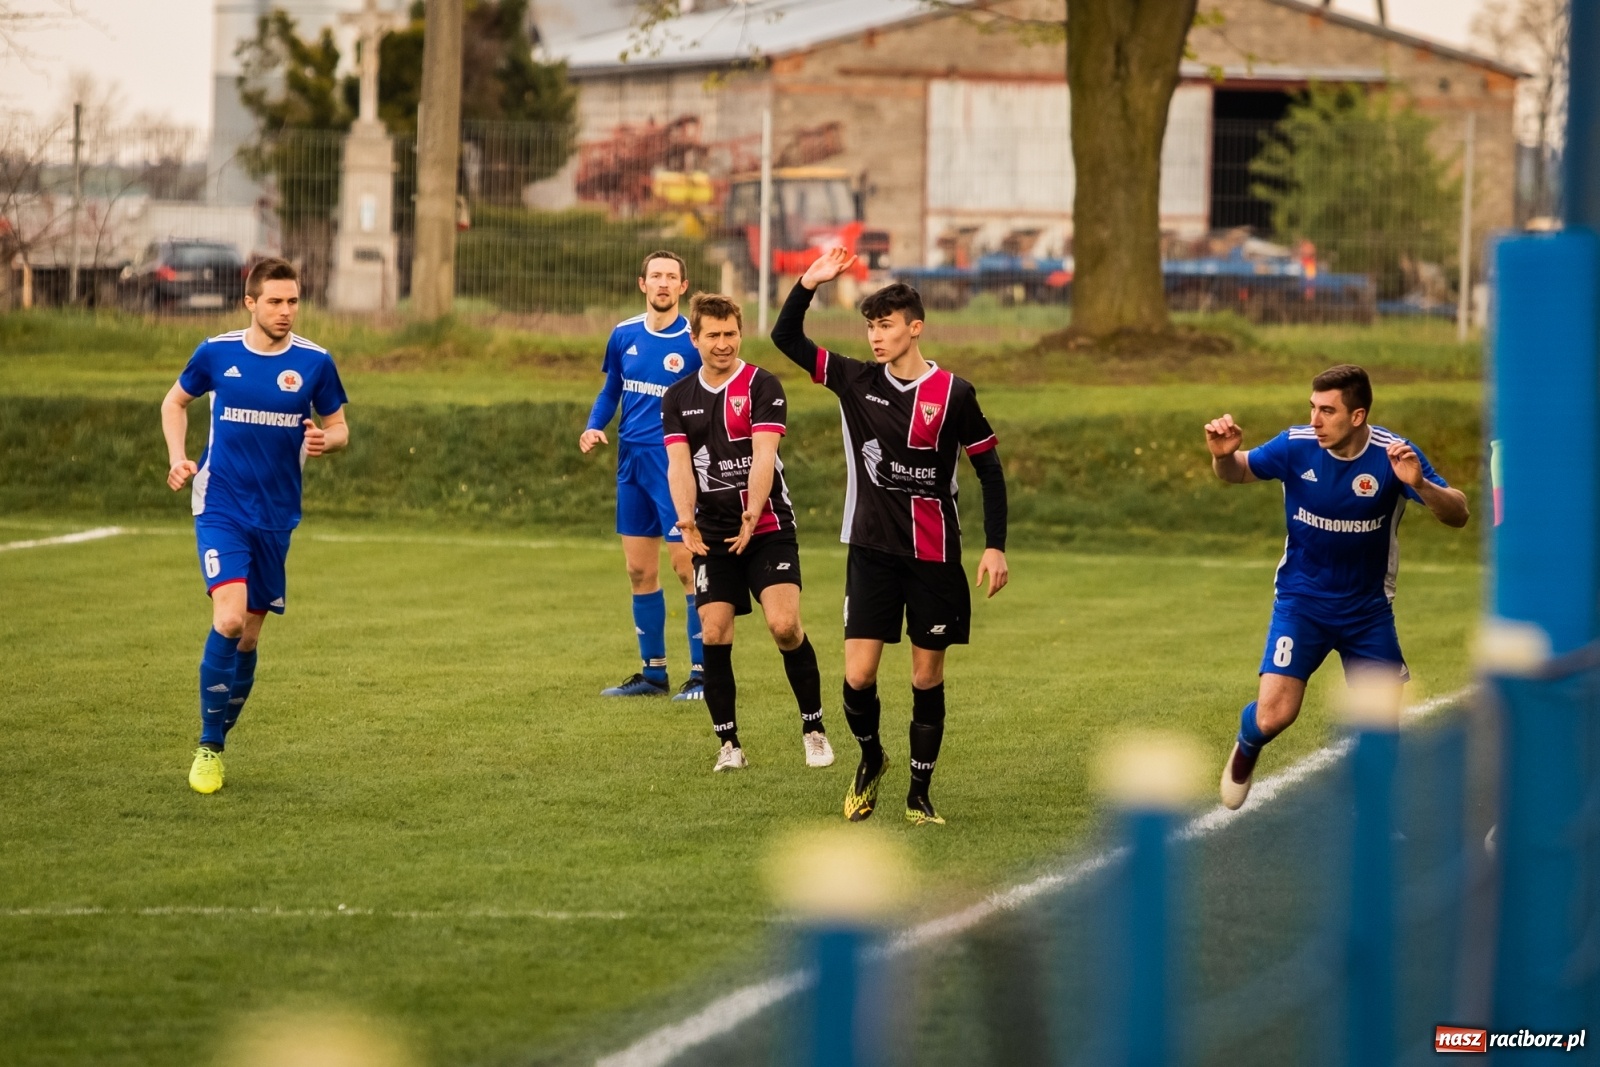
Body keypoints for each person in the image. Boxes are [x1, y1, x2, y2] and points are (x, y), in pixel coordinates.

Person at [770, 246, 1009, 826]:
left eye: (886, 326)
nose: (876, 337)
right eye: (871, 326)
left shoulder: (955, 393)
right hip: (872, 552)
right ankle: (872, 758)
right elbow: (786, 337)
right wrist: (809, 282)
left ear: (915, 328)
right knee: (858, 676)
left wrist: (995, 545)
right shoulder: (855, 380)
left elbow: (989, 470)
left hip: (934, 555)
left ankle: (919, 795)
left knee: (927, 676)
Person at [1205, 364, 1469, 810]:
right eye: (1312, 407)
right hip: (1302, 601)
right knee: (1275, 715)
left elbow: (1459, 513)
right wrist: (1223, 456)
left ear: (1358, 416)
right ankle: (1247, 744)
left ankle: (1376, 825)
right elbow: (1237, 472)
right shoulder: (1296, 446)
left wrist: (1420, 484)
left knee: (1381, 730)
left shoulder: (1392, 455)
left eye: (1327, 411)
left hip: (1367, 611)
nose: (1315, 420)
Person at [160, 257, 349, 794]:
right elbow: (175, 402)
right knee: (228, 619)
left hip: (276, 516)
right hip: (220, 504)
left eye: (293, 301)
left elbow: (340, 429)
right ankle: (208, 745)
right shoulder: (217, 353)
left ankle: (218, 734)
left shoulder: (314, 363)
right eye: (275, 301)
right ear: (250, 302)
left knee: (248, 636)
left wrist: (324, 441)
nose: (286, 311)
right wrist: (178, 456)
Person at [663, 293, 835, 772]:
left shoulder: (762, 383)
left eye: (731, 333)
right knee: (714, 632)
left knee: (784, 626)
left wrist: (750, 514)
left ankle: (814, 729)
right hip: (711, 534)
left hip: (767, 527)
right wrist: (686, 521)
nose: (724, 343)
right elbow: (679, 465)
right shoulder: (677, 397)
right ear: (694, 339)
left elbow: (764, 455)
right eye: (713, 335)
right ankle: (729, 746)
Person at [581, 251, 706, 700]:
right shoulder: (623, 334)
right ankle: (653, 675)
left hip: (673, 465)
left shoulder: (694, 342)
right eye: (656, 276)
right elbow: (612, 386)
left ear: (683, 288)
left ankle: (703, 675)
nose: (663, 284)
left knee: (686, 567)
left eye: (672, 277)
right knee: (638, 570)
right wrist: (595, 424)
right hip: (630, 462)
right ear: (642, 284)